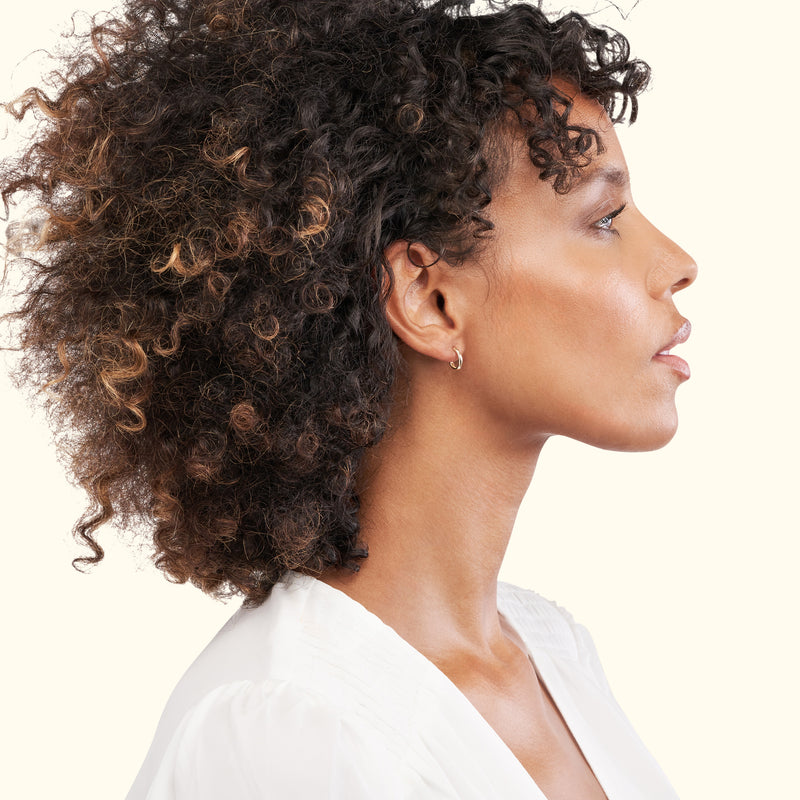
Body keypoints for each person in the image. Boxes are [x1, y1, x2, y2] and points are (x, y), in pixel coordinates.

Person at [0, 0, 696, 797]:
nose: (679, 261)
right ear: (431, 299)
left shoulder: (555, 654)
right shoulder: (284, 730)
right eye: (605, 218)